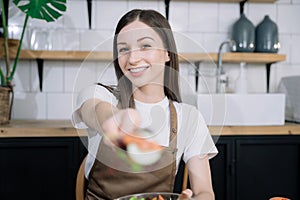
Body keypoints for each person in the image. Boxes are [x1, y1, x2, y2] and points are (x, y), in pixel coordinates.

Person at [72, 9, 218, 200]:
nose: (132, 59)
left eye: (145, 46)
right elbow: (93, 110)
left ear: (167, 52)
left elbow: (205, 192)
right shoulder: (100, 94)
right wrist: (114, 120)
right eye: (124, 49)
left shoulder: (189, 118)